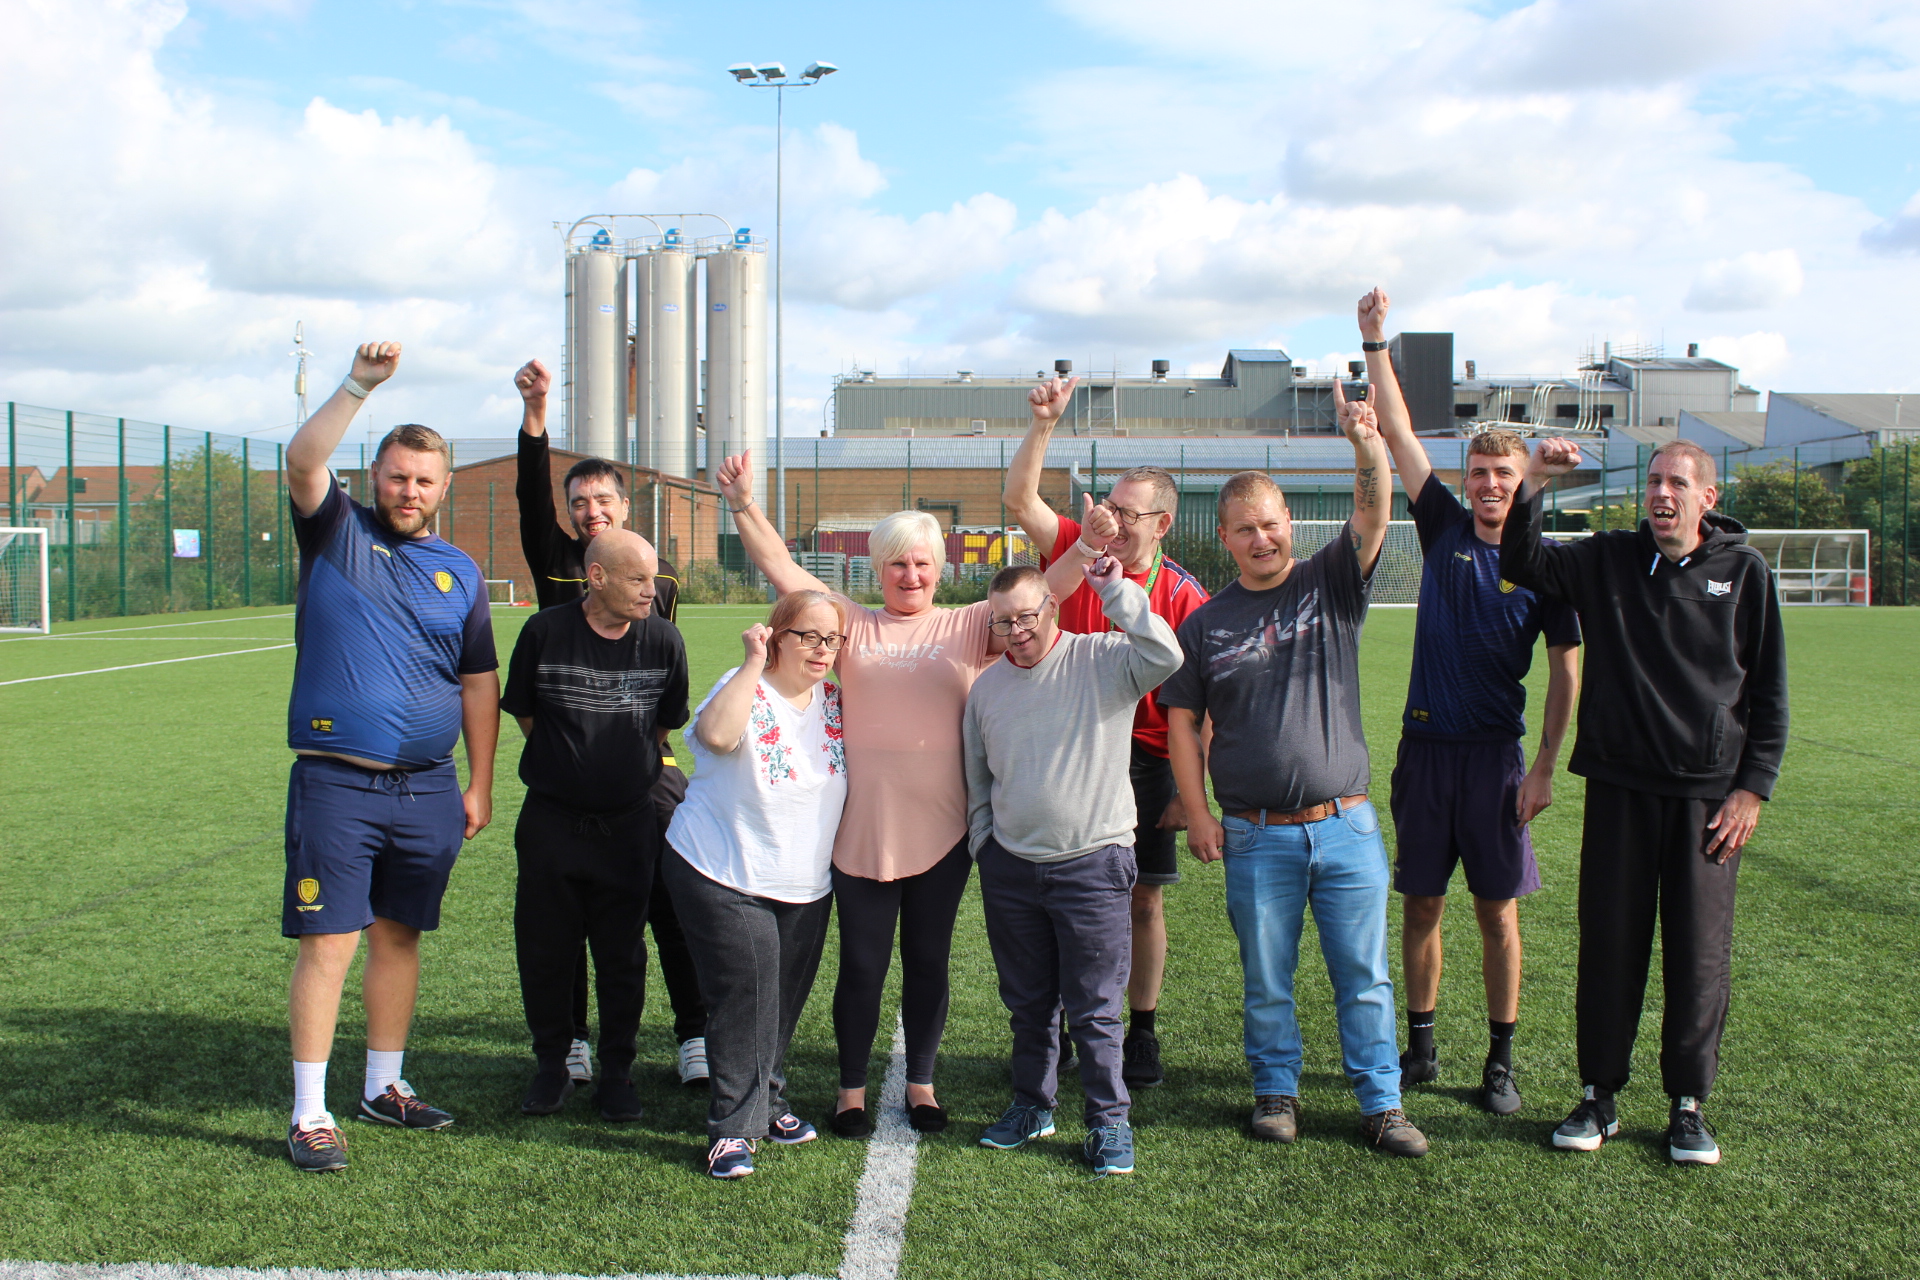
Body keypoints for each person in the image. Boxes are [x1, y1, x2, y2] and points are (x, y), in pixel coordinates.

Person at [712, 451, 1087, 1139]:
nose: (909, 576)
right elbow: (783, 572)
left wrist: (1089, 544)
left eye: (920, 564)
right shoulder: (849, 622)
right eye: (896, 564)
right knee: (859, 963)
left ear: (939, 569)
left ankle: (922, 1084)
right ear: (876, 570)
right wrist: (742, 504)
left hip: (945, 832)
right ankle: (851, 1090)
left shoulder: (970, 625)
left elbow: (1044, 590)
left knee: (928, 961)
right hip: (861, 831)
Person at [1159, 382, 1431, 1158]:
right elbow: (1181, 719)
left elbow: (1376, 511)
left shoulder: (1331, 583)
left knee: (1365, 979)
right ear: (1226, 537)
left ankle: (1381, 1104)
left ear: (1289, 525)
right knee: (1268, 982)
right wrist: (1199, 810)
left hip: (1345, 826)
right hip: (1254, 834)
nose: (1261, 540)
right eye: (1245, 530)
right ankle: (1275, 1094)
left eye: (1271, 525)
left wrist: (1365, 443)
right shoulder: (1206, 624)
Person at [1502, 437, 1787, 1165]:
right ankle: (1599, 1095)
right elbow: (1522, 561)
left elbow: (1770, 694)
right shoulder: (1608, 559)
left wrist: (1752, 788)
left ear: (1707, 499)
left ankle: (1688, 1107)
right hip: (1621, 790)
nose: (1663, 493)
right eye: (1655, 480)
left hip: (1706, 804)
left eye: (1678, 483)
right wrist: (1534, 478)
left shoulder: (1744, 573)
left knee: (1697, 956)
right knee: (1610, 947)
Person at [1355, 289, 1581, 1116]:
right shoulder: (1443, 525)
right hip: (1426, 752)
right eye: (1480, 473)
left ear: (1524, 484)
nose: (1489, 484)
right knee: (1420, 903)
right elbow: (1402, 432)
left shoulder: (1547, 566)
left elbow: (1566, 672)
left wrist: (1546, 768)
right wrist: (1375, 340)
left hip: (1495, 761)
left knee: (1496, 915)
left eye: (1503, 474)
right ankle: (1420, 1045)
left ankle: (1500, 1059)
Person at [279, 342, 499, 1173]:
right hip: (338, 784)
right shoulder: (336, 531)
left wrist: (478, 782)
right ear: (375, 478)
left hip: (430, 791)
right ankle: (310, 1112)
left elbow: (480, 683)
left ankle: (384, 1086)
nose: (410, 492)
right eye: (398, 476)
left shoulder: (461, 570)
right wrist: (357, 385)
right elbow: (305, 459)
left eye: (425, 480)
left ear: (445, 490)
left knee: (399, 937)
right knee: (329, 940)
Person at [1002, 381, 1211, 1089]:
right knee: (1060, 892)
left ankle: (1141, 1028)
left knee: (1142, 897)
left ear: (1163, 524)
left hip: (1147, 760)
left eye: (1128, 512)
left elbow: (1202, 704)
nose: (1112, 520)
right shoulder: (1078, 547)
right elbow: (1020, 500)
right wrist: (1043, 425)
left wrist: (1191, 791)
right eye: (1109, 505)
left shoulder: (1184, 597)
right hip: (1069, 748)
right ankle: (1061, 1023)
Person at [512, 358, 708, 1090]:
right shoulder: (559, 562)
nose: (591, 510)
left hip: (643, 767)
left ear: (626, 508)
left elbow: (659, 686)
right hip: (569, 763)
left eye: (603, 500)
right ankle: (572, 1044)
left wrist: (648, 755)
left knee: (675, 897)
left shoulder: (661, 585)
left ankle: (694, 1032)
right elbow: (533, 497)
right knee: (560, 919)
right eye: (579, 501)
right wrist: (536, 417)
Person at [964, 559, 1182, 1177]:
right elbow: (978, 777)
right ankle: (1033, 1105)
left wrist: (1116, 590)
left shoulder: (1104, 659)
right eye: (1004, 622)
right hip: (1013, 869)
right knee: (1029, 1003)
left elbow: (1166, 656)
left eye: (1027, 616)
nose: (1018, 631)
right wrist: (988, 844)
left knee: (1094, 1007)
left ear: (1052, 609)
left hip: (1093, 864)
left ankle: (1109, 1122)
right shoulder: (987, 689)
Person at [500, 529, 689, 1122]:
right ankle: (552, 1067)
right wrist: (570, 767)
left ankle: (617, 1073)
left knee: (622, 953)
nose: (649, 591)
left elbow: (663, 726)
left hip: (629, 826)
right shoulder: (544, 632)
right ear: (598, 577)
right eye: (637, 579)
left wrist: (613, 770)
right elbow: (526, 713)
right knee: (546, 949)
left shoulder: (663, 639)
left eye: (653, 578)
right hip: (551, 823)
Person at [663, 592, 850, 1178]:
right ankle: (731, 1129)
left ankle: (768, 1100)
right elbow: (717, 739)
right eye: (808, 637)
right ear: (776, 636)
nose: (822, 650)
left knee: (781, 1001)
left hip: (804, 880)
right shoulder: (745, 683)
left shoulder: (837, 701)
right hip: (722, 867)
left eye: (832, 639)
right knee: (745, 993)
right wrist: (750, 663)